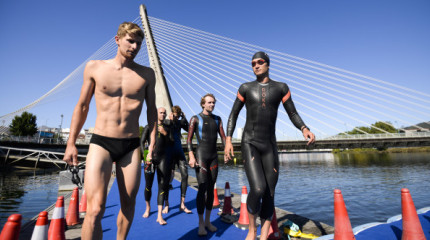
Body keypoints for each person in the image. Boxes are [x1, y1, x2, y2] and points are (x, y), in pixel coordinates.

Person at [63, 22, 157, 240]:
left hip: (131, 145)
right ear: (117, 40)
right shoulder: (94, 67)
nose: (135, 47)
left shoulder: (147, 74)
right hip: (101, 142)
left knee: (128, 203)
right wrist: (71, 143)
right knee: (95, 209)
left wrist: (151, 145)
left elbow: (152, 111)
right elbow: (83, 106)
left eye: (139, 43)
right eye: (130, 41)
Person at [224, 51, 315, 240]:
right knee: (257, 189)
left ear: (268, 64)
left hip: (270, 145)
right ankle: (252, 230)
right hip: (250, 142)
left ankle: (264, 235)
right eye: (252, 63)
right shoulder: (245, 88)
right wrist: (228, 139)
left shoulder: (281, 87)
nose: (256, 65)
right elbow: (233, 114)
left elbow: (292, 113)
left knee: (270, 192)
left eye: (260, 62)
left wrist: (303, 128)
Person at [187, 94, 226, 236]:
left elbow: (223, 137)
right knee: (202, 188)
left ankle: (208, 221)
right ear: (203, 104)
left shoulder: (217, 119)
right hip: (201, 156)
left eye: (214, 102)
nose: (212, 105)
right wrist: (191, 155)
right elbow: (189, 140)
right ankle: (200, 223)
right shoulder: (195, 119)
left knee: (211, 189)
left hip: (214, 157)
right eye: (209, 102)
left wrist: (226, 150)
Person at [140, 107, 172, 225]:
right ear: (156, 114)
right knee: (148, 186)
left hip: (163, 159)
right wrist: (146, 155)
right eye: (161, 113)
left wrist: (165, 134)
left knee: (162, 186)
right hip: (150, 159)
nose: (163, 115)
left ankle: (159, 215)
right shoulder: (149, 126)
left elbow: (172, 143)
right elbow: (141, 142)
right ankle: (148, 207)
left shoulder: (167, 128)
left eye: (164, 113)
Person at [164, 105, 192, 213]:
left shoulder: (180, 123)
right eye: (175, 115)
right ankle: (166, 204)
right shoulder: (167, 122)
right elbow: (166, 133)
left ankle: (182, 204)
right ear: (172, 114)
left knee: (185, 175)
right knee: (167, 177)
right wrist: (171, 121)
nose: (176, 118)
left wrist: (184, 117)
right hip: (169, 152)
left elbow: (189, 128)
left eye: (178, 116)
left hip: (179, 151)